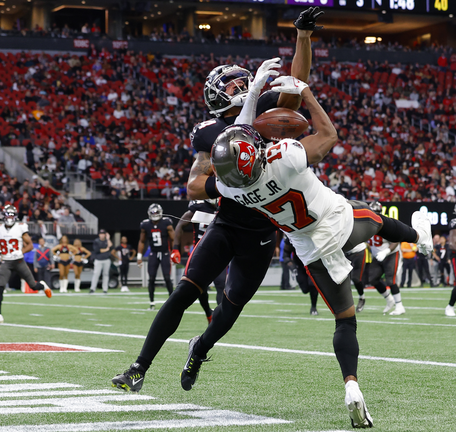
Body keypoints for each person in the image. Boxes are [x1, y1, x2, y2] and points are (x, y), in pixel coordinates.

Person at [111, 5, 322, 414]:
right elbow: (194, 184)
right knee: (184, 292)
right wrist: (226, 182)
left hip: (263, 230)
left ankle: (200, 347)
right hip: (227, 222)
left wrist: (304, 37)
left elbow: (298, 82)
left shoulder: (267, 109)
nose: (243, 84)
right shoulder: (210, 132)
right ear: (217, 94)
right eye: (235, 83)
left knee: (229, 309)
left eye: (243, 81)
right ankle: (138, 368)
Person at [206, 74, 433, 427]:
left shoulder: (229, 188)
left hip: (310, 250)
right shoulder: (285, 157)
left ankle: (352, 385)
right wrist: (306, 94)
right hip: (337, 223)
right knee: (375, 215)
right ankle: (420, 238)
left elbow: (239, 138)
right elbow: (327, 135)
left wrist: (251, 97)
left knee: (345, 321)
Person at [0, 205, 52, 324]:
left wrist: (21, 251)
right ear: (3, 215)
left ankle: (43, 286)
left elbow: (29, 245)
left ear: (15, 216)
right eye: (8, 214)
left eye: (12, 214)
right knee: (0, 287)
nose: (9, 217)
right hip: (6, 262)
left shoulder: (20, 227)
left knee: (33, 286)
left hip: (19, 261)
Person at [171, 199, 227, 321]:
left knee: (221, 285)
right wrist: (175, 249)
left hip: (220, 253)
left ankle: (219, 319)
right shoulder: (198, 207)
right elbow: (180, 224)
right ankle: (208, 312)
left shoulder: (225, 207)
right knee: (199, 289)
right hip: (201, 253)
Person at [137, 204, 175, 309]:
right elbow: (142, 241)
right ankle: (152, 302)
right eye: (152, 213)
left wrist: (174, 252)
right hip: (153, 253)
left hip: (165, 253)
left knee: (167, 277)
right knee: (151, 278)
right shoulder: (145, 225)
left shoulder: (166, 222)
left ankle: (172, 302)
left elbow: (173, 238)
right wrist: (139, 256)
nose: (154, 215)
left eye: (156, 212)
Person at [283, 236, 320, 315]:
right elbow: (285, 255)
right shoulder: (292, 237)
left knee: (313, 285)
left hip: (312, 264)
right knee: (305, 289)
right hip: (299, 266)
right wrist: (292, 266)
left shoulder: (314, 235)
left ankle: (313, 307)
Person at [345, 242, 368, 312]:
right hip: (345, 253)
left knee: (356, 278)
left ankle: (362, 298)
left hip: (358, 251)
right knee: (342, 279)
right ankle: (345, 303)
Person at [90, 230, 113, 294]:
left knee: (106, 274)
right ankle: (92, 288)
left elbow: (111, 246)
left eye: (103, 234)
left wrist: (108, 239)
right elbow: (97, 250)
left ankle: (105, 289)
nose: (102, 235)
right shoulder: (96, 241)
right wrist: (106, 249)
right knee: (96, 274)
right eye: (101, 234)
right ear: (99, 235)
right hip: (98, 259)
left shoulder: (107, 241)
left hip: (106, 259)